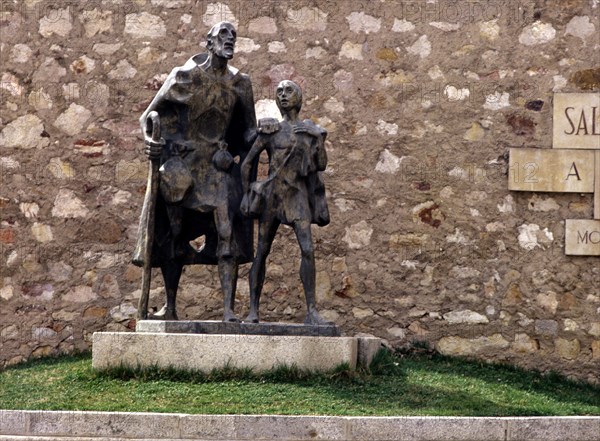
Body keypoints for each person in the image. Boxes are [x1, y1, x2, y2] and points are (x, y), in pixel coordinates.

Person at [132, 21, 257, 322]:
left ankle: (228, 309)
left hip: (217, 167)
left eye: (233, 37)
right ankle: (170, 306)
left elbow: (249, 131)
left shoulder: (241, 84)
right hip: (183, 167)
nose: (229, 41)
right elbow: (149, 117)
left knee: (227, 235)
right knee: (173, 234)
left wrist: (266, 133)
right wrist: (152, 141)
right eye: (222, 36)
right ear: (209, 42)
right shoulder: (183, 76)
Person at [241, 80, 332, 325]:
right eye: (279, 92)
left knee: (308, 250)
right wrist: (248, 190)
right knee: (261, 251)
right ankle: (253, 311)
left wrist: (318, 138)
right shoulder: (272, 131)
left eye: (288, 91)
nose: (283, 95)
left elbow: (321, 164)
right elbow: (248, 162)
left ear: (299, 98)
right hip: (272, 197)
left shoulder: (310, 130)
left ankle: (312, 311)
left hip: (297, 196)